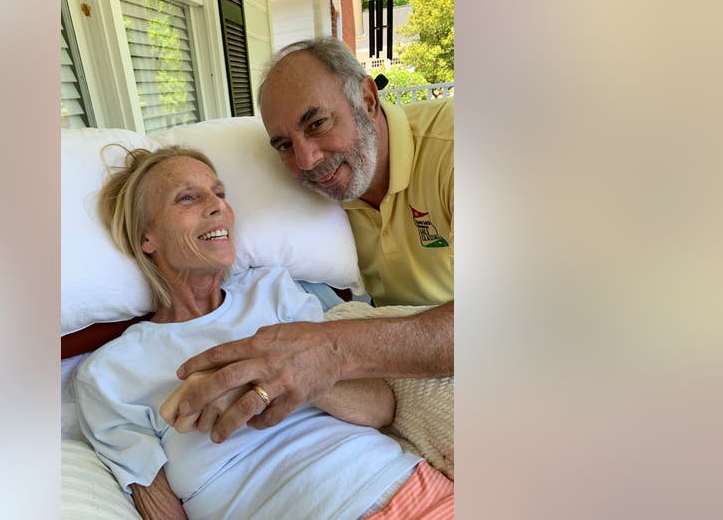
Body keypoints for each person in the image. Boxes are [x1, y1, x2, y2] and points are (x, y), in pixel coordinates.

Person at [75, 145, 453, 519]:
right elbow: (157, 505)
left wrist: (284, 377)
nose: (217, 205)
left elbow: (380, 407)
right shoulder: (109, 372)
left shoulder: (272, 291)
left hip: (410, 492)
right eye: (188, 198)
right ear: (147, 239)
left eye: (220, 193)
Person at [160, 36, 454, 444]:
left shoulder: (457, 149)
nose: (306, 161)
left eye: (317, 123)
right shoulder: (322, 199)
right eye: (283, 145)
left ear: (368, 100)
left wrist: (331, 350)